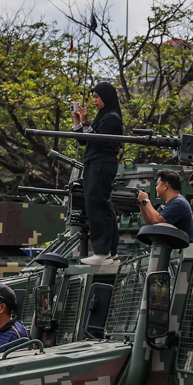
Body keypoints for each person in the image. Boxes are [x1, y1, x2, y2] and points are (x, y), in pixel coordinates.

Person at [73, 81, 124, 265]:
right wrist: (78, 121)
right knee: (104, 206)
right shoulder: (103, 116)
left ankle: (102, 252)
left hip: (101, 163)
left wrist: (86, 123)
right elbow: (84, 141)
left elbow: (97, 140)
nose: (94, 100)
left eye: (97, 97)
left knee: (96, 204)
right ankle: (111, 253)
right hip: (97, 162)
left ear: (106, 97)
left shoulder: (112, 117)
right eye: (93, 97)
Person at [137, 169, 193, 242]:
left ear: (165, 185)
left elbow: (157, 220)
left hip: (183, 250)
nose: (156, 188)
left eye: (158, 184)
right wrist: (142, 205)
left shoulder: (178, 203)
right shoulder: (175, 202)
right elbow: (151, 223)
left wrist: (146, 201)